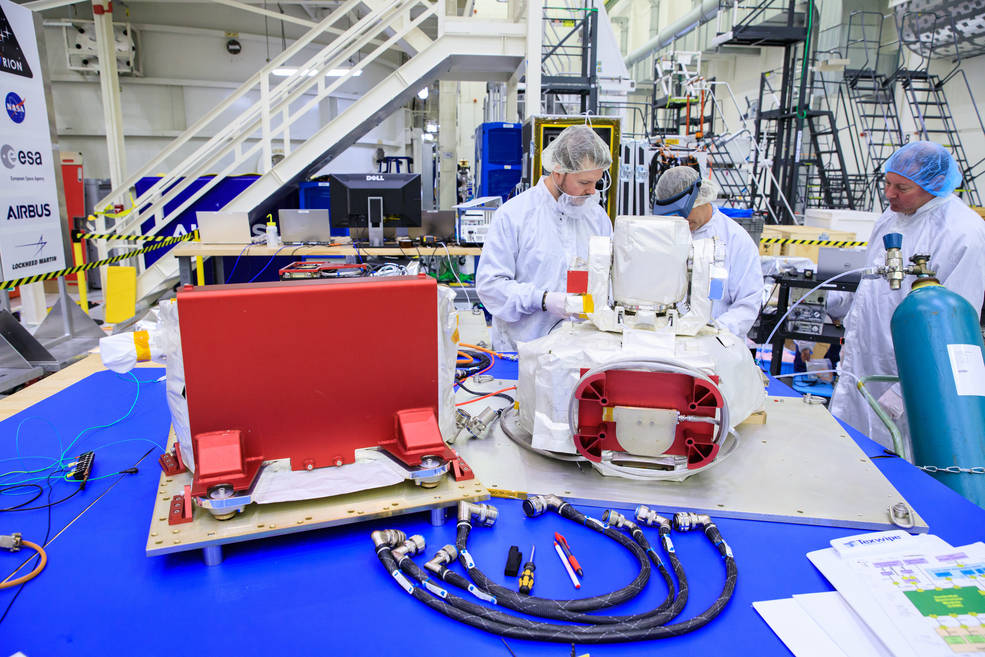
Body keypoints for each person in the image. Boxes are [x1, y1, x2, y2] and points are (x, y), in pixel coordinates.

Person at [828, 141, 985, 450]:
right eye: (886, 182)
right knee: (851, 446)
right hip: (865, 356)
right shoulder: (891, 218)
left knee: (902, 454)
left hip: (911, 371)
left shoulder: (964, 234)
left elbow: (954, 324)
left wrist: (905, 389)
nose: (889, 194)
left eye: (901, 187)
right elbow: (871, 285)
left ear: (935, 186)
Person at [477, 125, 613, 351]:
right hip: (523, 352)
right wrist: (543, 299)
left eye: (596, 182)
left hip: (580, 352)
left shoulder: (596, 218)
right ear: (558, 171)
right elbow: (491, 287)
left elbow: (609, 279)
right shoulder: (515, 215)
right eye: (584, 183)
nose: (592, 191)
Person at [654, 166, 764, 337]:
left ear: (702, 199)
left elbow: (748, 302)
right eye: (671, 214)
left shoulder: (736, 240)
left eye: (683, 212)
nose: (679, 220)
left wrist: (715, 332)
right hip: (664, 340)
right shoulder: (660, 234)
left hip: (715, 345)